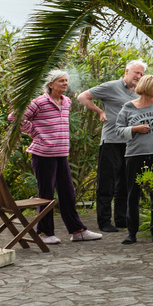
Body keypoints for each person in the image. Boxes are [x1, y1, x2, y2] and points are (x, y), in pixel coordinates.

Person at [16, 69, 100, 245]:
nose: (65, 83)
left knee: (68, 192)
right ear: (50, 85)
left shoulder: (67, 101)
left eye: (66, 80)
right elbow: (15, 117)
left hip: (61, 154)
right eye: (61, 81)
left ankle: (77, 231)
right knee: (46, 194)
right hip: (43, 155)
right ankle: (45, 233)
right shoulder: (39, 102)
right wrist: (35, 132)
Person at [77, 60, 145, 233]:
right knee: (106, 182)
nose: (138, 76)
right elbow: (82, 97)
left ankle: (121, 219)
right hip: (111, 142)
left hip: (131, 144)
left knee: (125, 183)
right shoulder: (111, 87)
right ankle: (104, 221)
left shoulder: (139, 92)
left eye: (141, 74)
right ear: (127, 71)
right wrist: (100, 112)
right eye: (136, 73)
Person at [115, 75, 153, 245]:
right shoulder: (128, 107)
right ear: (147, 87)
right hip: (134, 155)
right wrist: (135, 129)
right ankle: (132, 232)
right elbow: (118, 130)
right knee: (133, 194)